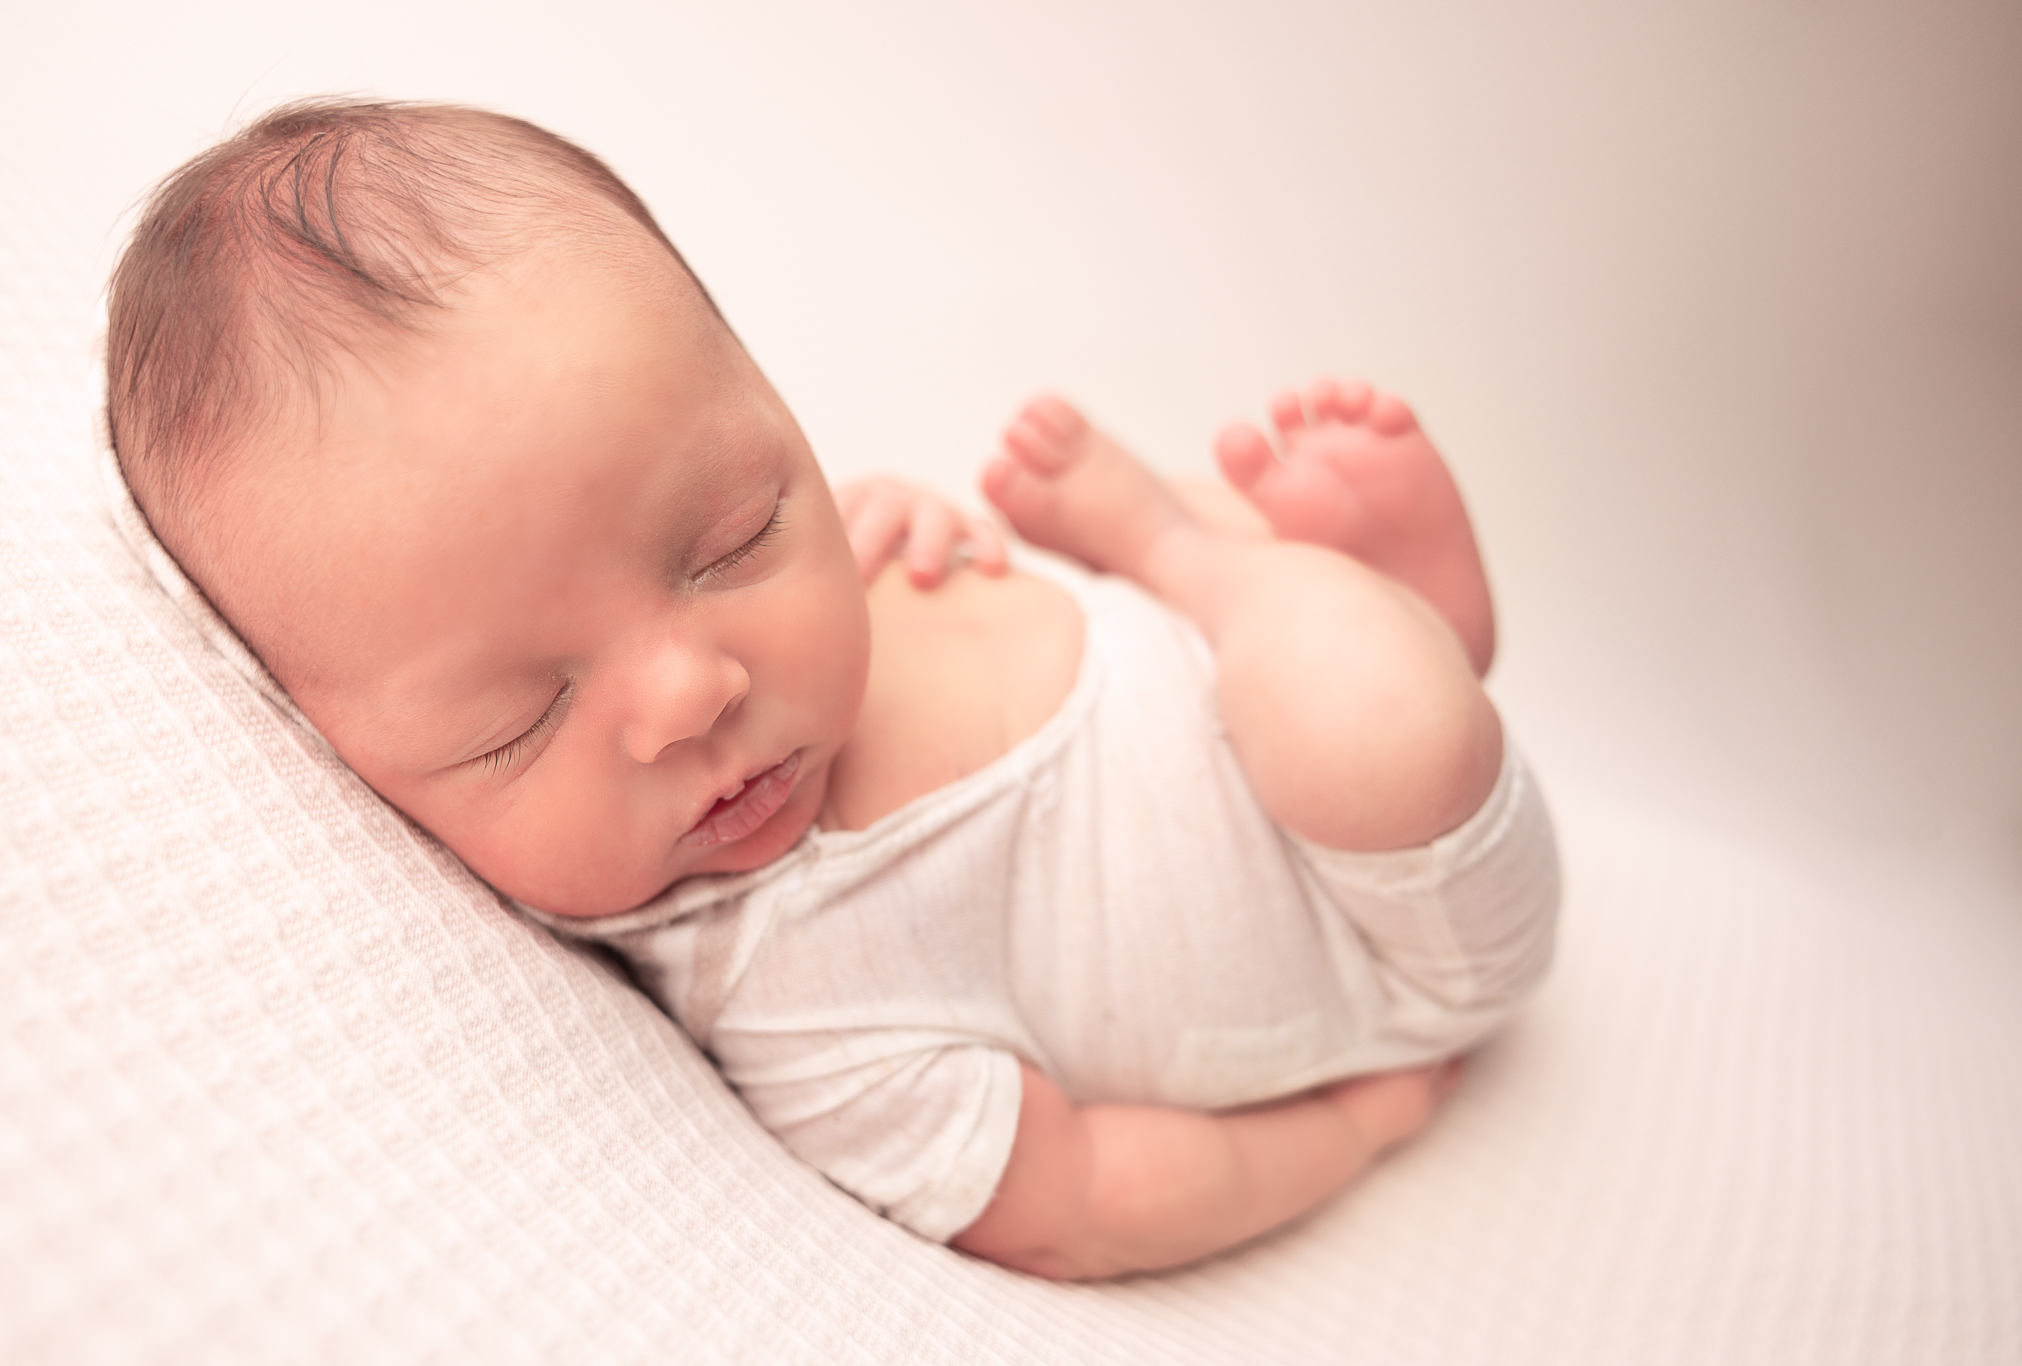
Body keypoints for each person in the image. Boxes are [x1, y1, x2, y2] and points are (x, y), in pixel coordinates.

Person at [105, 100, 1559, 1281]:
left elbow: (886, 548)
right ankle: (1276, 576)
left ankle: (1281, 579)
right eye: (520, 717)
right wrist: (1349, 1134)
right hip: (1391, 922)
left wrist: (902, 524)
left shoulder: (830, 562)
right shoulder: (808, 998)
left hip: (1198, 683)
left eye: (733, 537)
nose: (690, 690)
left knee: (1317, 666)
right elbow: (1084, 1199)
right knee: (1373, 718)